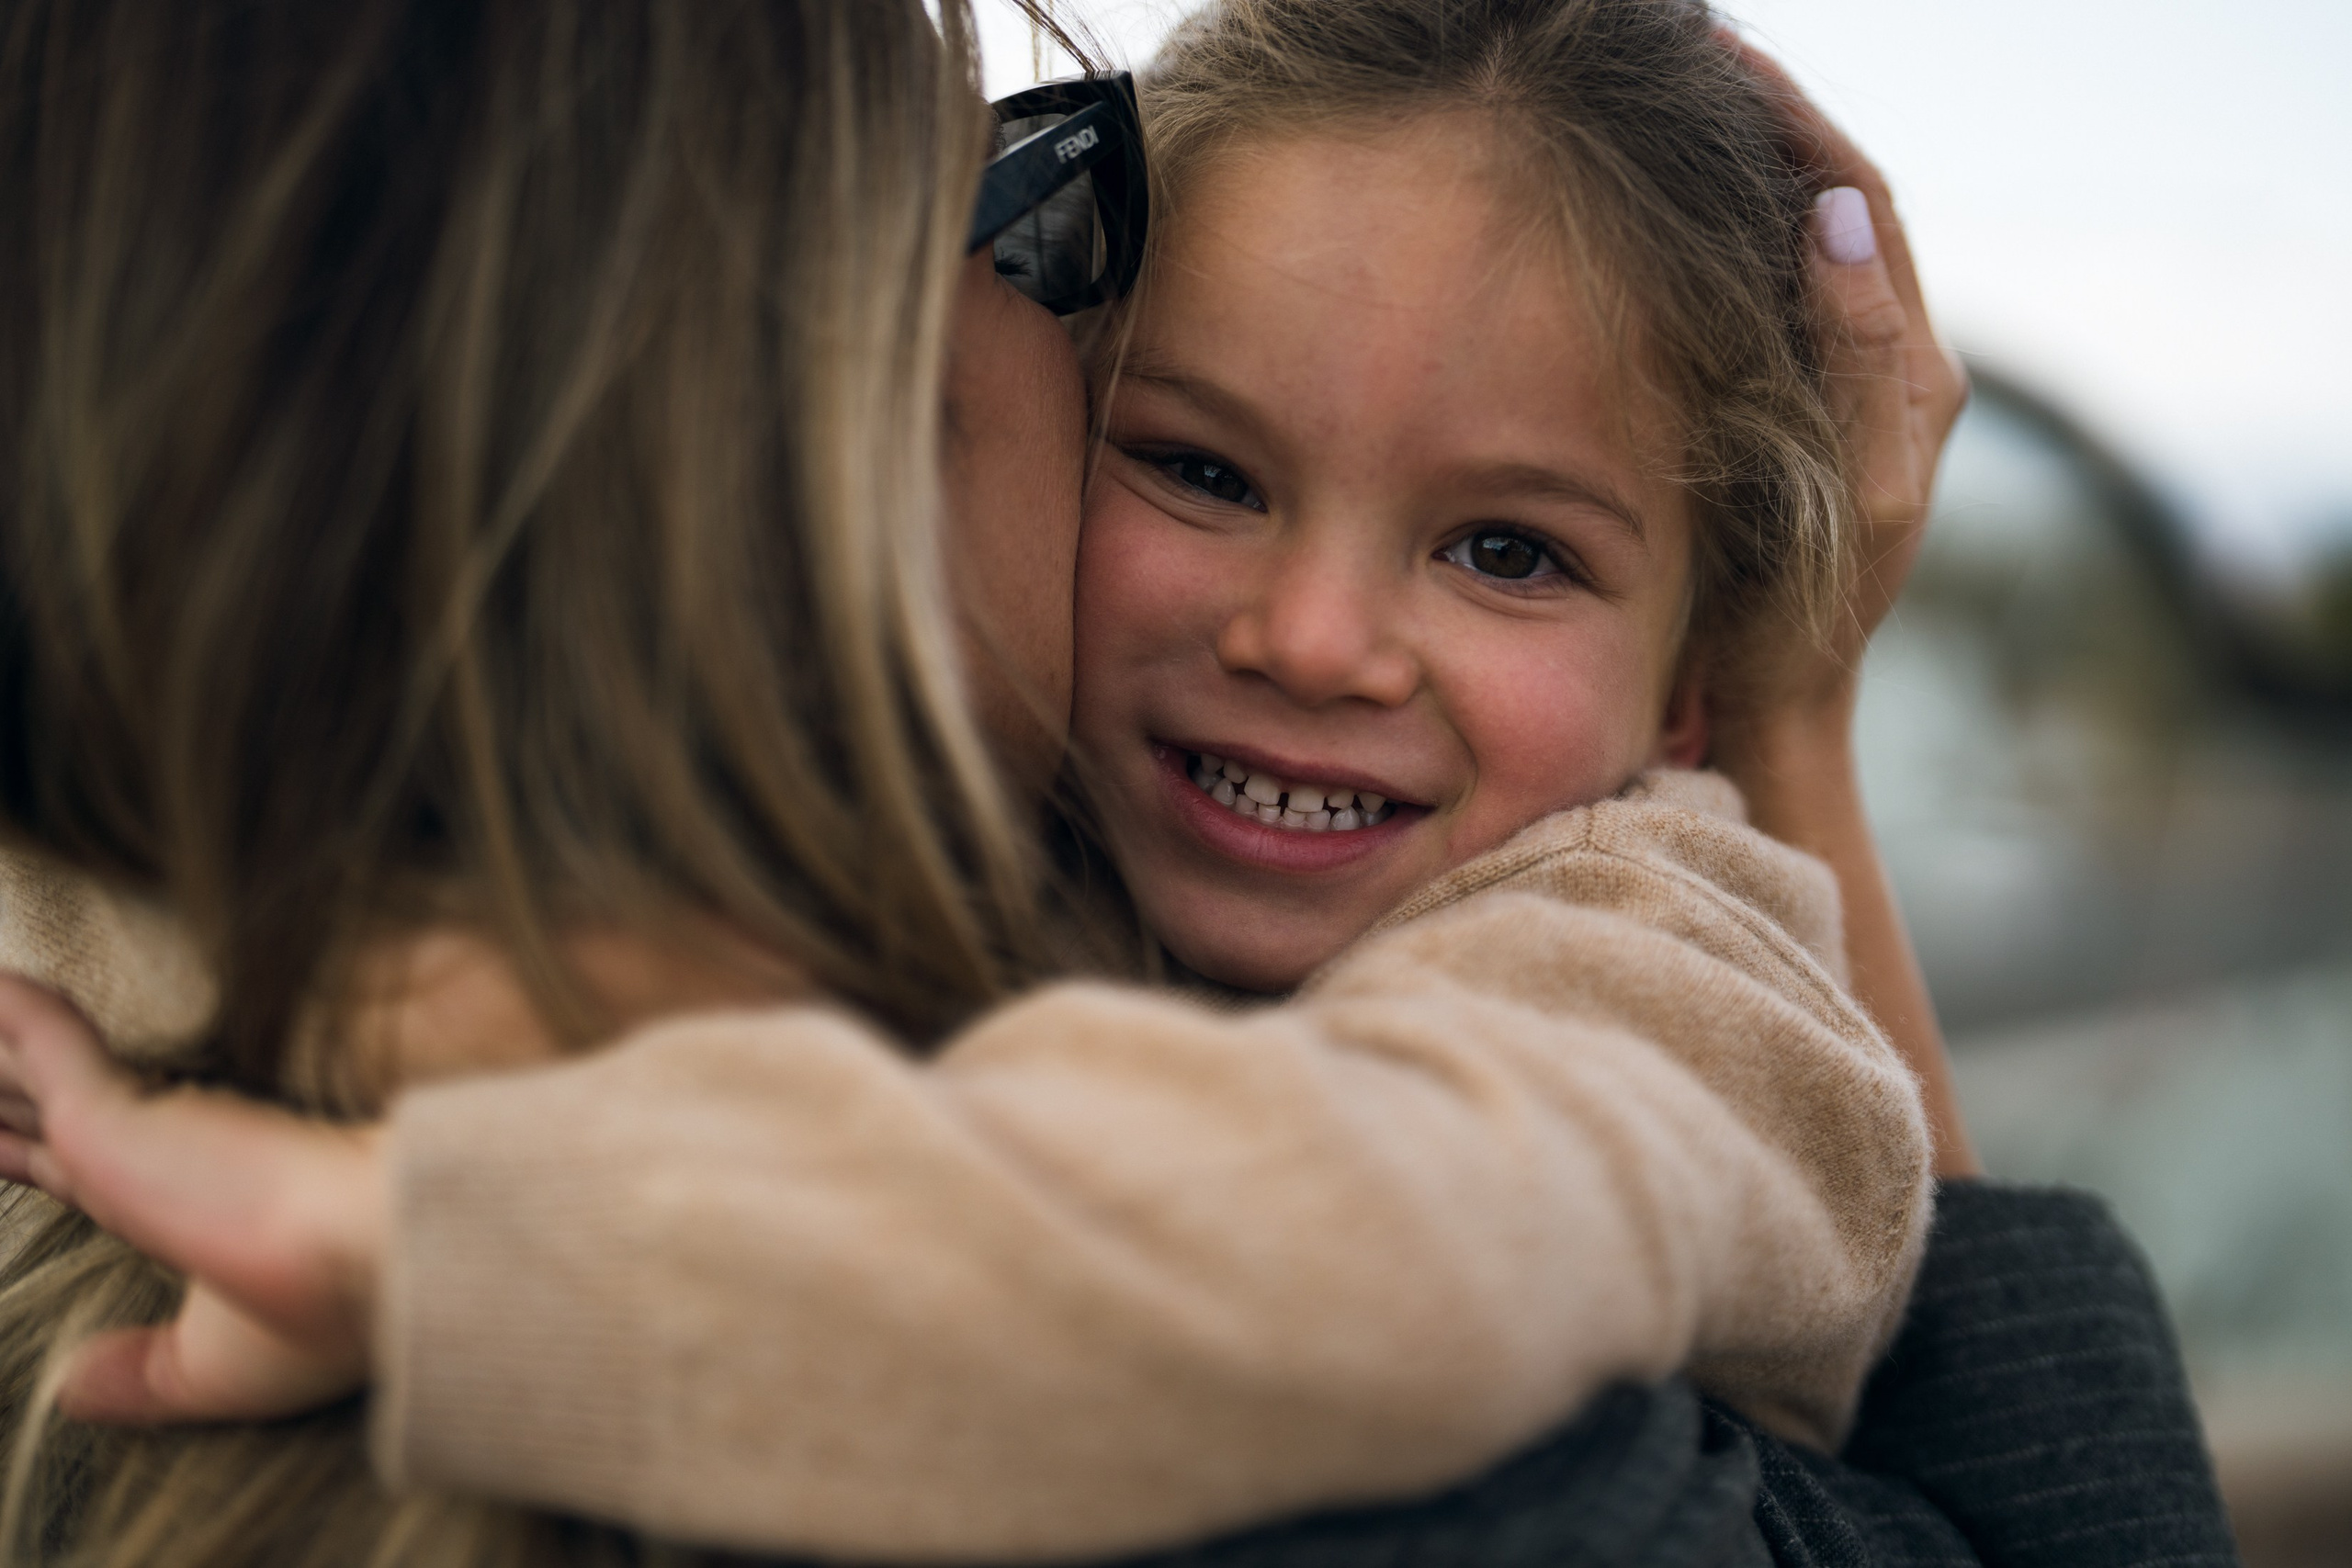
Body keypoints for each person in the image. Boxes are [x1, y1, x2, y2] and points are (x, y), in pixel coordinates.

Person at [0, 2, 2233, 1567]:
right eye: (1193, 461)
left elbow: (1369, 1235)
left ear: (1683, 689)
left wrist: (444, 1218)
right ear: (763, 454)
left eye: (1505, 548)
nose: (1310, 639)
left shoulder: (1634, 966)